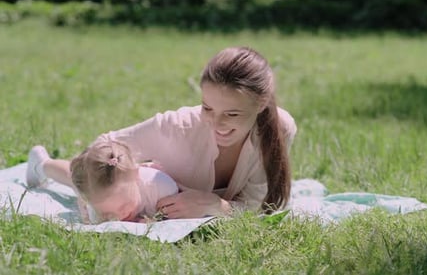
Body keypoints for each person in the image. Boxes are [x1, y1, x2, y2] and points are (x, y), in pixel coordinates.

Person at [26, 46, 297, 219]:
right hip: (143, 186)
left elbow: (256, 207)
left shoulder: (277, 129)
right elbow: (105, 144)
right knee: (91, 182)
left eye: (232, 114)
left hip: (166, 200)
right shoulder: (176, 126)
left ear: (260, 105)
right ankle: (43, 164)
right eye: (207, 108)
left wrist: (217, 206)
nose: (216, 123)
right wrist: (93, 194)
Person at [34, 139, 179, 223]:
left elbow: (178, 213)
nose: (121, 215)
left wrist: (155, 220)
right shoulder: (94, 205)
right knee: (74, 178)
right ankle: (42, 164)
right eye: (107, 214)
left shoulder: (161, 187)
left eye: (125, 205)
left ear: (136, 175)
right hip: (93, 189)